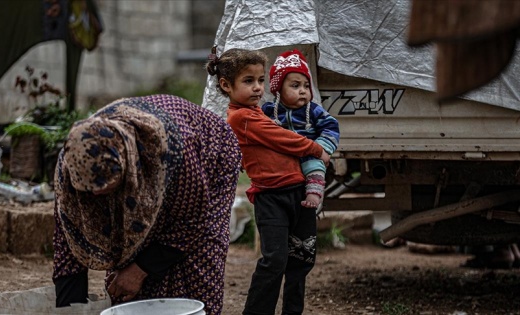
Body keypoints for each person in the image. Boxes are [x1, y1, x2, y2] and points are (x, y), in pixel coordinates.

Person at [52, 94, 242, 315]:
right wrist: (70, 309)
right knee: (131, 279)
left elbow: (193, 220)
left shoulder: (174, 150)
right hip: (153, 171)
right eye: (91, 191)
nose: (98, 195)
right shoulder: (72, 167)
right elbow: (68, 246)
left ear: (128, 166)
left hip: (209, 157)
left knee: (197, 262)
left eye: (108, 187)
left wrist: (139, 270)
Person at [206, 47, 330, 315]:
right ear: (226, 85)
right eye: (248, 81)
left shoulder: (258, 111)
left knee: (301, 260)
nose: (257, 88)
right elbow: (281, 137)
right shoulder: (241, 117)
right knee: (275, 260)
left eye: (261, 80)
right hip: (271, 197)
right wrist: (315, 148)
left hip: (298, 193)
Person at [262, 49, 340, 212]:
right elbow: (258, 130)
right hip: (282, 156)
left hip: (308, 152)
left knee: (314, 166)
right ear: (278, 89)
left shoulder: (313, 110)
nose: (303, 91)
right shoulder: (269, 110)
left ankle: (315, 194)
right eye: (295, 86)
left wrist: (321, 147)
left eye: (306, 86)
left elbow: (331, 126)